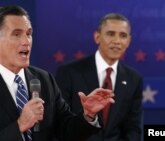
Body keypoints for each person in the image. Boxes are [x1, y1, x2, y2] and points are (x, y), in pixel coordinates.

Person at [0, 5, 115, 141]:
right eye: (17, 34)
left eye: (29, 33)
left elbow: (66, 132)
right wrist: (20, 126)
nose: (26, 41)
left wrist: (88, 115)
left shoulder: (44, 79)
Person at [55, 13, 143, 141]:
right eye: (111, 34)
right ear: (97, 37)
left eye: (123, 36)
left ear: (129, 41)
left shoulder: (134, 79)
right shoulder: (69, 72)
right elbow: (60, 123)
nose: (117, 41)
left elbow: (133, 129)